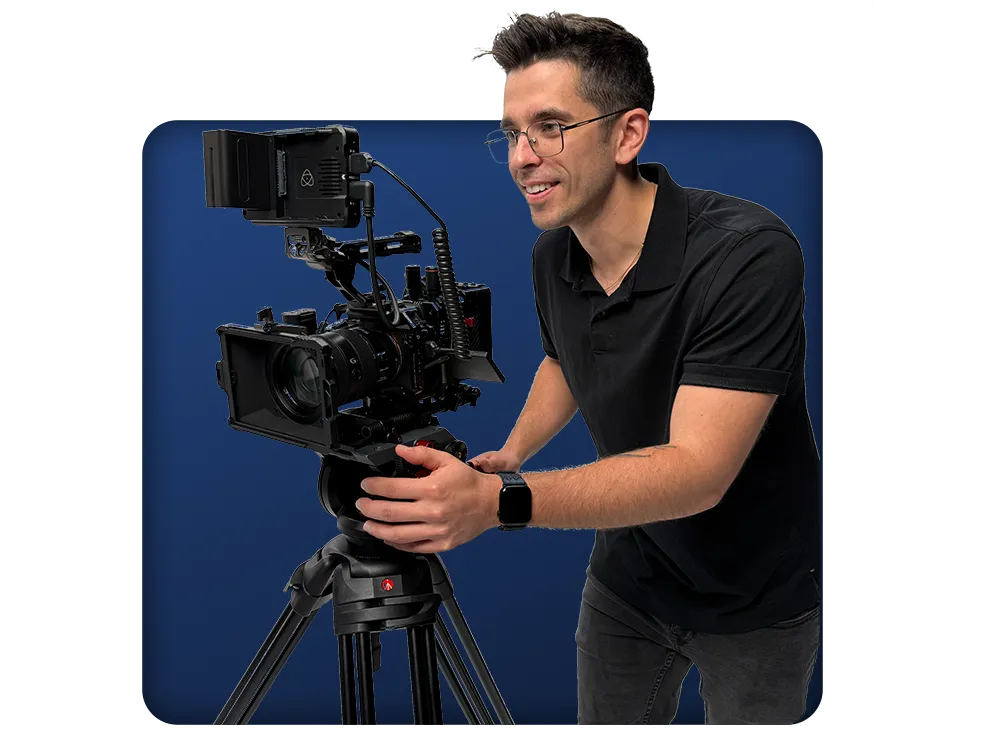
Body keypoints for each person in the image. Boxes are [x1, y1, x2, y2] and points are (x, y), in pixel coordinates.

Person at [357, 12, 820, 726]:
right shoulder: (554, 252)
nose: (523, 157)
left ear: (628, 134)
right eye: (513, 133)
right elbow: (564, 358)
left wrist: (500, 501)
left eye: (551, 127)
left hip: (755, 597)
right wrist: (512, 454)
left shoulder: (748, 254)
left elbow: (699, 471)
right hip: (627, 580)